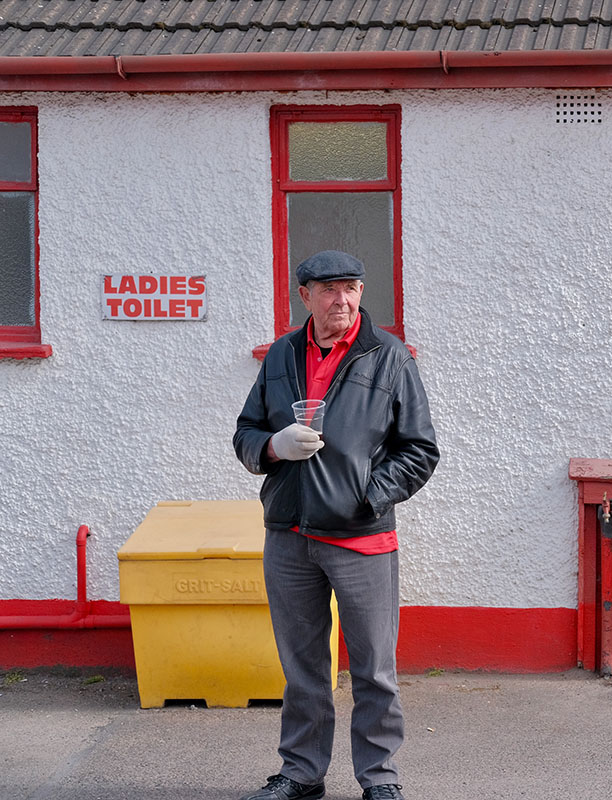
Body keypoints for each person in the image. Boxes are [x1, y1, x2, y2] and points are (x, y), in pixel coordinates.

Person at [233, 250, 439, 800]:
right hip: (289, 535)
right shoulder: (281, 356)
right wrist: (272, 447)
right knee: (302, 670)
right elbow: (245, 434)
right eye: (328, 290)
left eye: (350, 287)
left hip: (360, 537)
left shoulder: (388, 355)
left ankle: (380, 779)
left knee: (373, 670)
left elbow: (419, 449)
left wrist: (367, 497)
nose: (341, 300)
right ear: (305, 296)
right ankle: (301, 774)